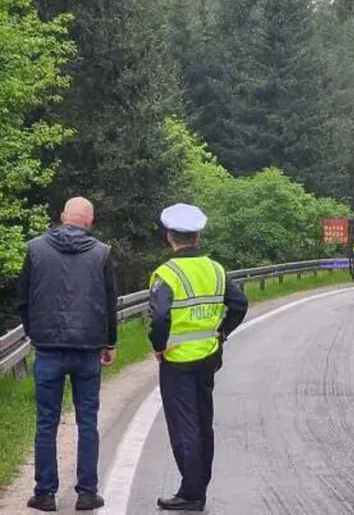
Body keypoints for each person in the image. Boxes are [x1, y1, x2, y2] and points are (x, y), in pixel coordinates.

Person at [15, 197, 118, 512]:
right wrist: (109, 343)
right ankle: (87, 493)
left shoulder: (35, 249)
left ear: (62, 217)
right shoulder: (102, 253)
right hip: (88, 349)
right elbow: (110, 302)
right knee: (88, 420)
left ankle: (44, 493)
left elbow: (22, 300)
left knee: (46, 421)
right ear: (90, 220)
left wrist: (35, 333)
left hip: (48, 349)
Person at [147, 203, 248, 511]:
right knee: (204, 422)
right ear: (198, 236)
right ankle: (199, 486)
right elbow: (239, 304)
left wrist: (158, 345)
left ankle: (190, 494)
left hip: (177, 360)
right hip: (208, 356)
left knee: (183, 425)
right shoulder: (216, 269)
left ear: (169, 237)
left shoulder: (166, 273)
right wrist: (221, 333)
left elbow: (160, 316)